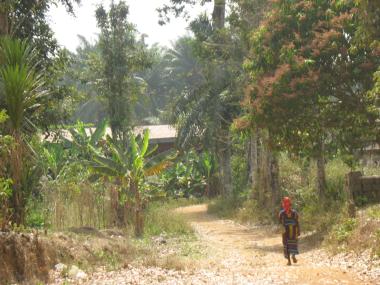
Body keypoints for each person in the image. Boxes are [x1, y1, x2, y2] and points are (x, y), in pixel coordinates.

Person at [279, 197, 300, 266]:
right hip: (291, 231)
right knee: (292, 244)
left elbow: (280, 222)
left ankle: (290, 260)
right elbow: (297, 222)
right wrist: (298, 231)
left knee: (287, 245)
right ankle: (292, 257)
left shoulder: (282, 213)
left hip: (287, 232)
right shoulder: (294, 212)